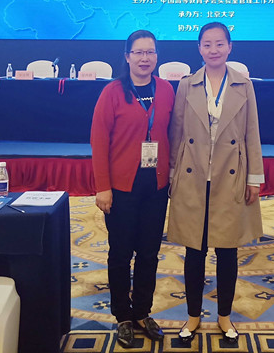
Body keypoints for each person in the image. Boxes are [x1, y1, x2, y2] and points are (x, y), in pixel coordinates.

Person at [167, 22, 264, 344]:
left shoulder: (244, 85)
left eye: (220, 44)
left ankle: (224, 317)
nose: (213, 50)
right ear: (199, 48)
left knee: (227, 251)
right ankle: (193, 316)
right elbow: (177, 133)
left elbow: (252, 133)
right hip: (192, 177)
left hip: (230, 177)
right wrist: (172, 175)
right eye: (207, 44)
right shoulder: (187, 85)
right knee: (193, 252)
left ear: (230, 47)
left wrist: (254, 178)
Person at [90, 30, 176, 347]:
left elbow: (173, 133)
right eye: (138, 52)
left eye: (150, 52)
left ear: (157, 56)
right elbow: (99, 141)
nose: (144, 58)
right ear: (127, 57)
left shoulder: (166, 90)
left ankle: (142, 311)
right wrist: (103, 187)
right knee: (121, 253)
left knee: (149, 253)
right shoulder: (112, 92)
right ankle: (122, 316)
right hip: (121, 186)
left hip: (156, 184)